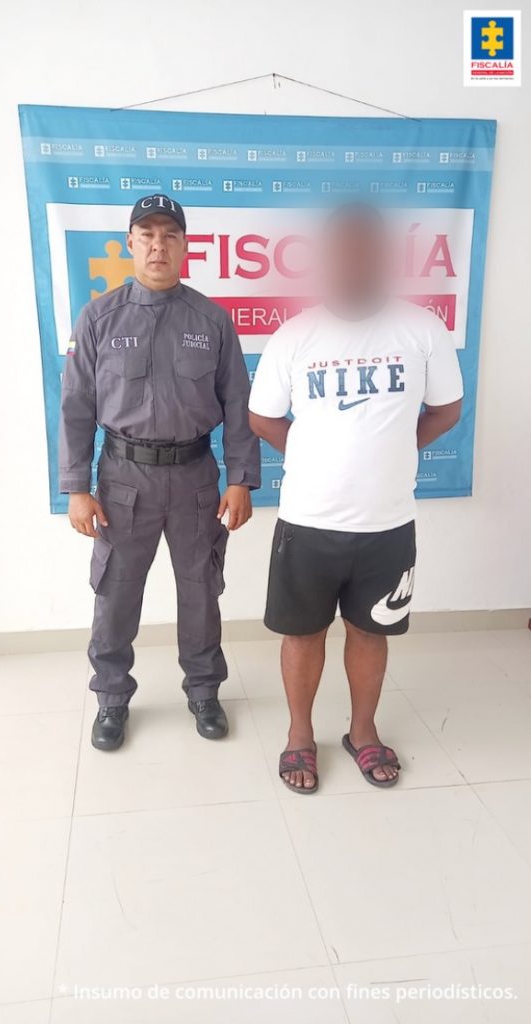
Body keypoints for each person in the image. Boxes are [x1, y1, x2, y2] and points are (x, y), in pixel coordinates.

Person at [248, 203, 463, 793]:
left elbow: (447, 409)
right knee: (303, 633)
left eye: (366, 247)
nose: (354, 259)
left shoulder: (422, 328)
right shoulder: (295, 336)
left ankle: (362, 733)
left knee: (372, 632)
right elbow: (262, 417)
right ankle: (299, 736)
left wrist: (400, 447)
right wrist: (312, 457)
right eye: (342, 248)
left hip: (388, 523)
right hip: (307, 521)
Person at [59, 193, 260, 751]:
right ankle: (112, 699)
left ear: (185, 246)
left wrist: (241, 479)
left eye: (169, 235)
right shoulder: (99, 318)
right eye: (146, 235)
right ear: (130, 244)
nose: (157, 245)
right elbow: (76, 406)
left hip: (196, 476)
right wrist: (77, 488)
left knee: (200, 590)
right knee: (117, 593)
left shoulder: (212, 321)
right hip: (123, 478)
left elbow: (239, 407)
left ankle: (203, 690)